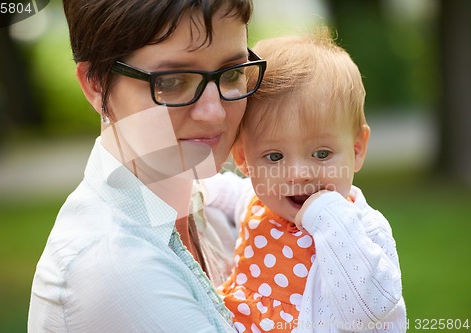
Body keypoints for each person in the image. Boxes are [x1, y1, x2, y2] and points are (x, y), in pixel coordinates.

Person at [27, 0, 266, 332]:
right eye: (171, 82)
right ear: (95, 82)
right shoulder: (112, 265)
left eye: (233, 73)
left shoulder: (217, 208)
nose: (214, 113)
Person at [217, 29, 407, 332]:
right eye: (275, 157)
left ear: (357, 149)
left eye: (321, 153)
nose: (299, 173)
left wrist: (327, 216)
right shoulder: (257, 201)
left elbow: (371, 309)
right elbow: (216, 191)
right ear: (243, 158)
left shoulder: (362, 229)